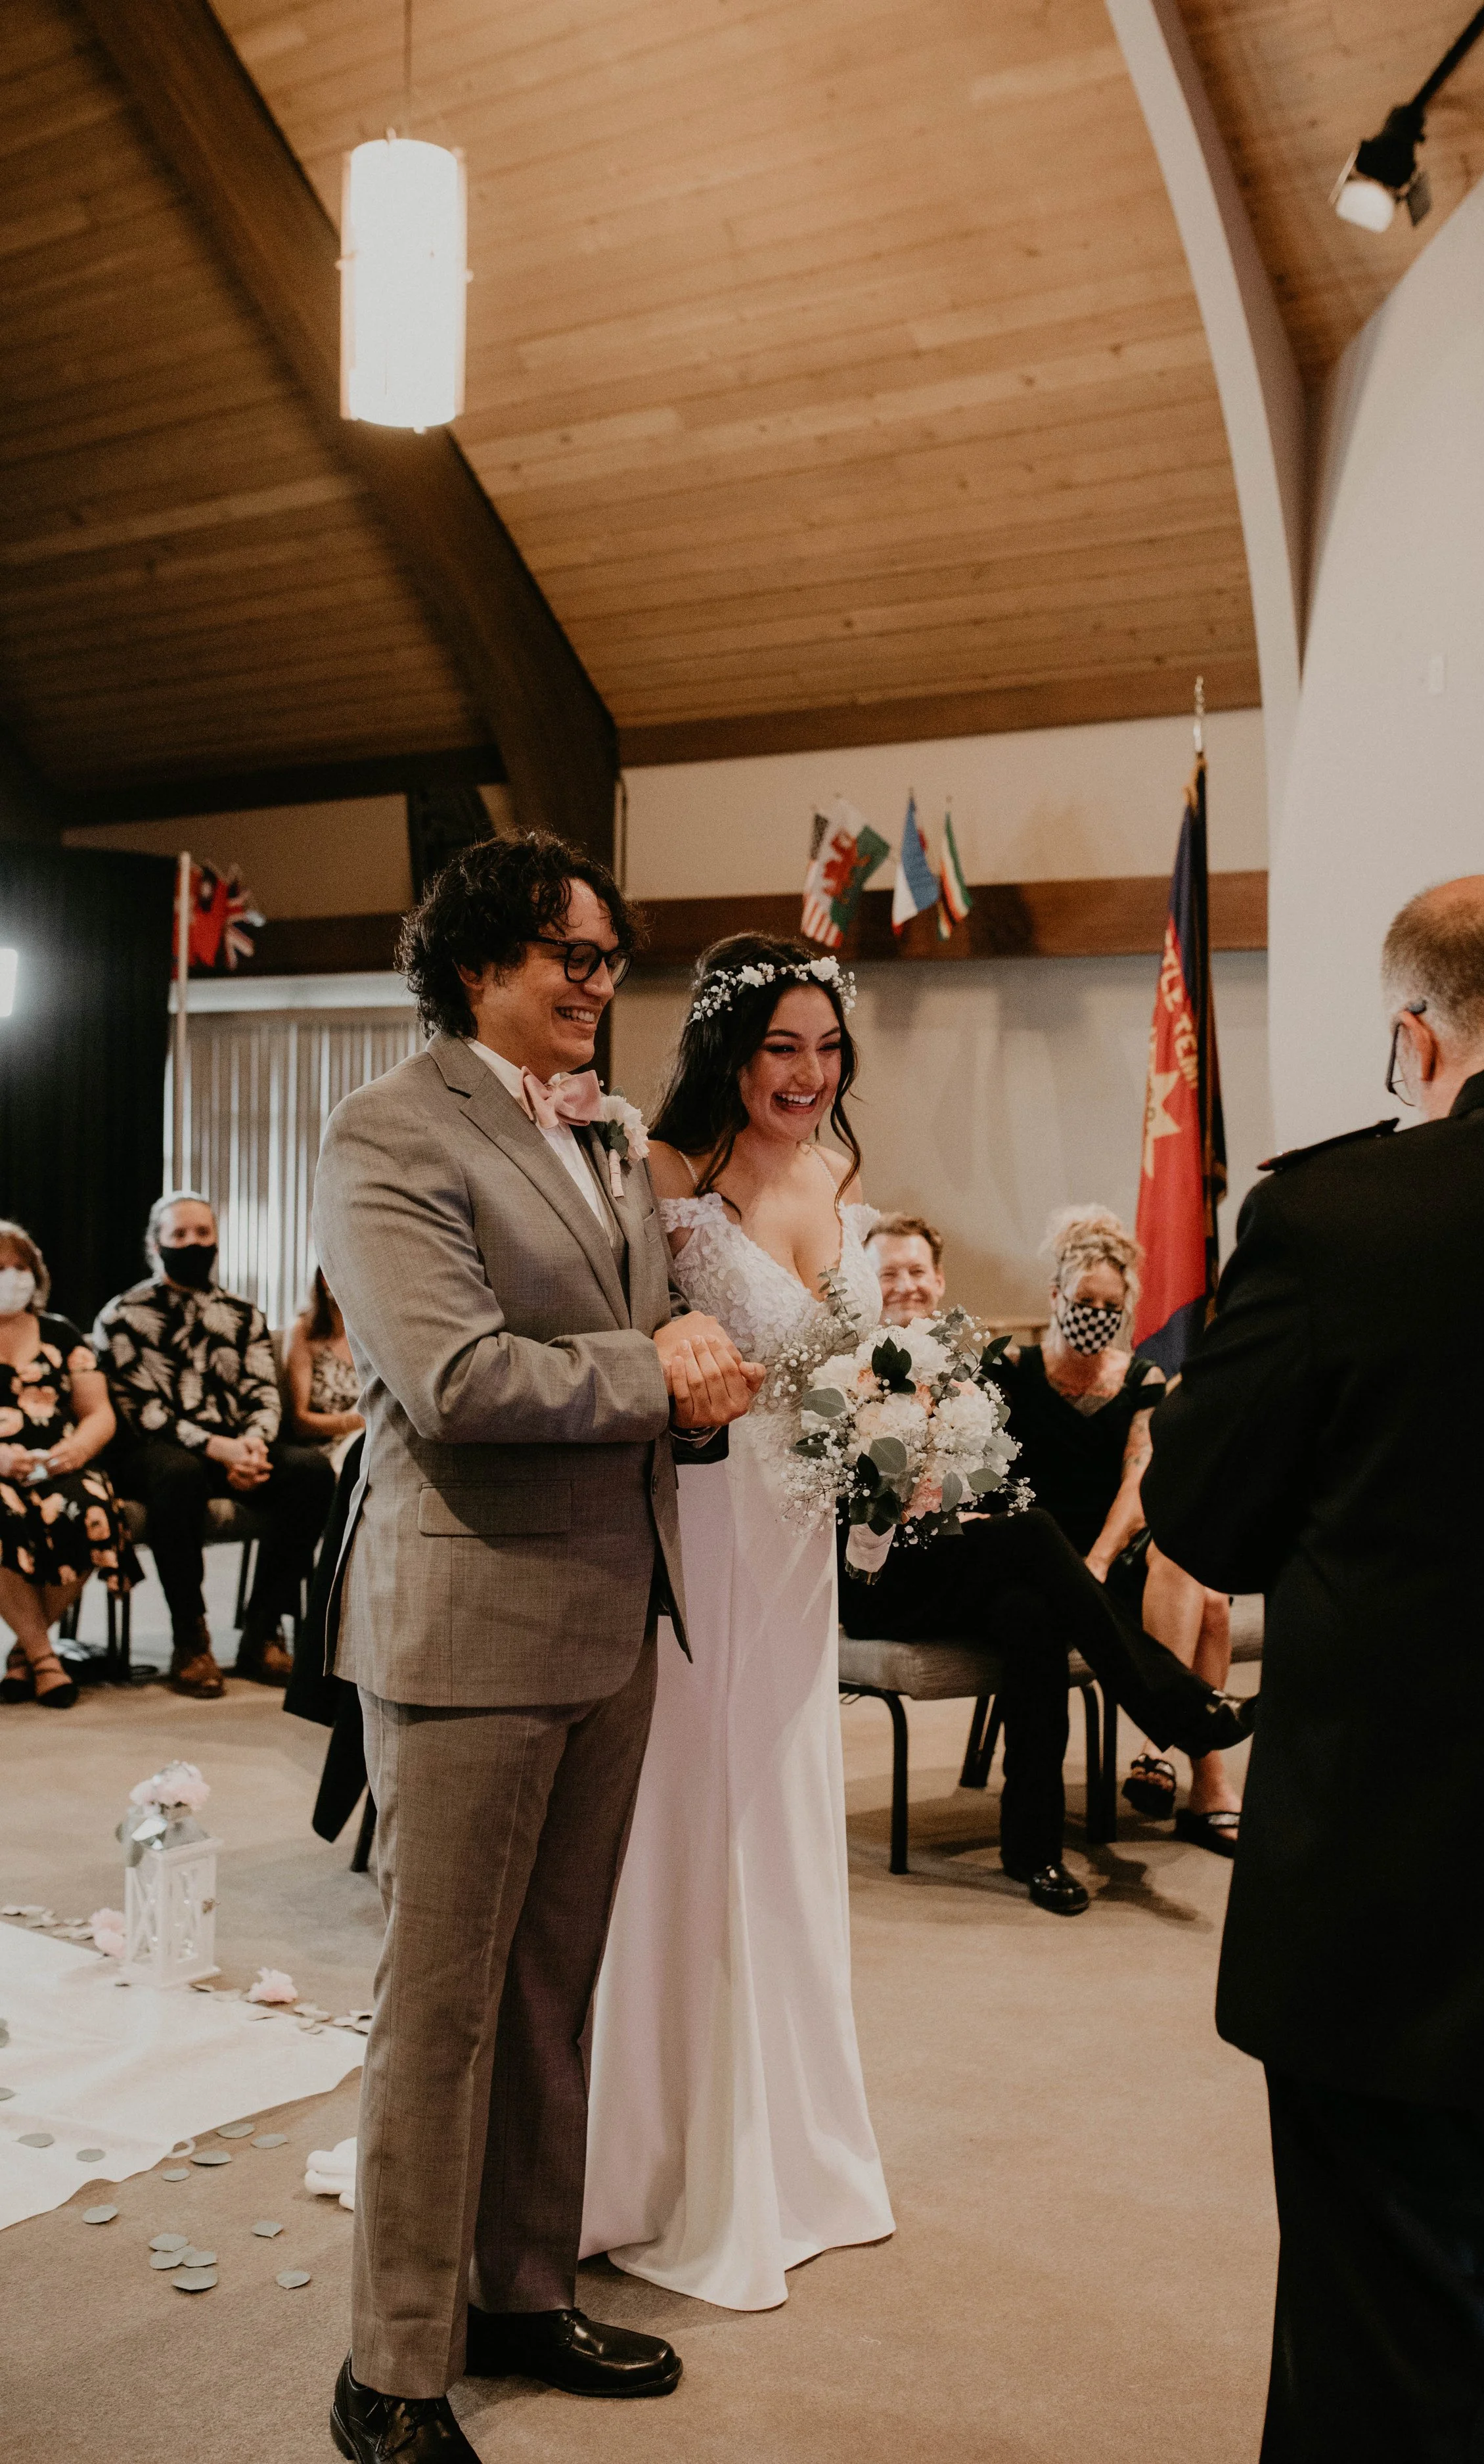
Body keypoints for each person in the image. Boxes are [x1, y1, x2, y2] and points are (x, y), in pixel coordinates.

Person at [1142, 873, 1484, 2463]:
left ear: (1417, 1038)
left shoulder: (1332, 1217)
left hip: (1415, 1883)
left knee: (1390, 2344)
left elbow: (1210, 1524)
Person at [311, 835, 760, 2464]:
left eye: (609, 955)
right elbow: (456, 1377)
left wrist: (697, 1384)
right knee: (441, 2009)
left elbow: (632, 1343)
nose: (598, 980)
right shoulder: (386, 1131)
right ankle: (392, 2362)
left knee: (555, 1986)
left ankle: (516, 2285)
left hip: (609, 1612)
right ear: (478, 957)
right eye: (572, 952)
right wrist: (661, 1371)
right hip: (473, 1619)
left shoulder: (615, 1133)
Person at [581, 933, 896, 2310]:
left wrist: (912, 1423)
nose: (808, 1074)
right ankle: (662, 2157)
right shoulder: (657, 1175)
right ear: (727, 1046)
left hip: (801, 1539)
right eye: (781, 1047)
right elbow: (638, 1348)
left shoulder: (835, 1171)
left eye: (826, 1048)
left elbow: (865, 1358)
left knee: (783, 1808)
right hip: (705, 1536)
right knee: (696, 1811)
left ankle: (800, 2147)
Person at [841, 1216, 1254, 1915]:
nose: (906, 1285)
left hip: (954, 1568)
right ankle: (1177, 1704)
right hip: (878, 1579)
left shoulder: (961, 1375)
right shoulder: (843, 1368)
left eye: (917, 1272)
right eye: (888, 1273)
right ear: (862, 1283)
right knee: (1033, 1534)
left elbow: (994, 1484)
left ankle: (1033, 1853)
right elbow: (848, 1518)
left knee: (1030, 1613)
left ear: (939, 1282)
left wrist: (966, 1510)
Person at [987, 1208, 1242, 1856]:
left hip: (1106, 1550)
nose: (1096, 1315)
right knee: (1212, 1609)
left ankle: (1158, 1753)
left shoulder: (1139, 1379)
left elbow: (1138, 1483)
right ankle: (1205, 1783)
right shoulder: (1008, 1369)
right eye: (1083, 1302)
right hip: (1037, 1552)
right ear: (1055, 1297)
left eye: (1111, 1305)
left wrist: (1099, 1562)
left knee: (1188, 1567)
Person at [93, 1194, 333, 1697]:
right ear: (156, 1243)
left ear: (217, 1240)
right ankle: (191, 1637)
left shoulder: (243, 1315)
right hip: (154, 1452)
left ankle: (263, 1630)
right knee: (177, 1473)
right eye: (179, 1235)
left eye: (202, 1233)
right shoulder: (123, 1316)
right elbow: (144, 1412)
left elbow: (264, 1392)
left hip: (235, 1446)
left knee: (310, 1471)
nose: (192, 1243)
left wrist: (253, 1445)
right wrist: (217, 1449)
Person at [0, 1220, 140, 1710]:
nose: (12, 1277)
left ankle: (24, 1651)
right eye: (0, 1269)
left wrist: (75, 1452)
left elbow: (98, 1412)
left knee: (95, 1508)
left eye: (21, 1267)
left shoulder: (61, 1333)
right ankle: (44, 1659)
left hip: (59, 1462)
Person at [285, 1267, 364, 1467]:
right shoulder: (304, 1332)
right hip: (326, 1450)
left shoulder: (364, 1333)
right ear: (325, 1279)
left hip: (367, 1440)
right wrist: (356, 1423)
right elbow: (300, 1421)